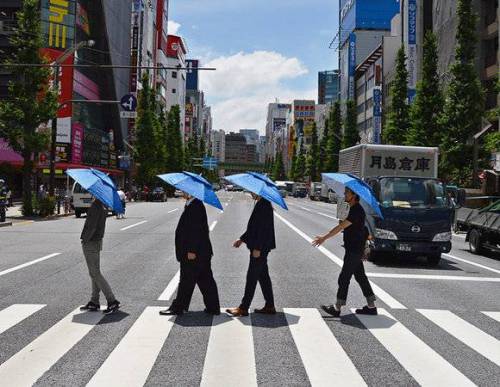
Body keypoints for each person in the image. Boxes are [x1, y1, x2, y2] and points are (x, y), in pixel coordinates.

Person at [312, 187, 377, 318]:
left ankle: (337, 307)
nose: (344, 194)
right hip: (355, 248)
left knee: (344, 277)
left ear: (353, 195)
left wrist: (323, 238)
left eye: (347, 193)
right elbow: (355, 228)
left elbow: (341, 227)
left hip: (354, 250)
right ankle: (371, 306)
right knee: (360, 277)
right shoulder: (354, 209)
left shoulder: (356, 210)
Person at [160, 193, 220, 316]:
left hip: (194, 252)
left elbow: (195, 230)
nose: (182, 192)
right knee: (205, 280)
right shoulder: (193, 204)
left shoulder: (195, 206)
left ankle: (178, 307)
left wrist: (191, 250)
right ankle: (213, 307)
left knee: (186, 280)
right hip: (201, 252)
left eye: (184, 190)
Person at [226, 193, 276, 317]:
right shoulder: (262, 203)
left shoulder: (263, 205)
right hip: (260, 248)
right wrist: (242, 239)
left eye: (252, 191)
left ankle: (243, 308)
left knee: (251, 278)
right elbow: (254, 228)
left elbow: (263, 230)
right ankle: (270, 306)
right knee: (263, 277)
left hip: (259, 248)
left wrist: (257, 248)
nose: (250, 193)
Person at [80, 198, 120, 314]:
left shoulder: (95, 205)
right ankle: (94, 301)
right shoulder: (103, 204)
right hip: (97, 240)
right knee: (94, 272)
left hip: (91, 241)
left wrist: (85, 239)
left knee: (95, 273)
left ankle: (112, 300)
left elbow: (92, 226)